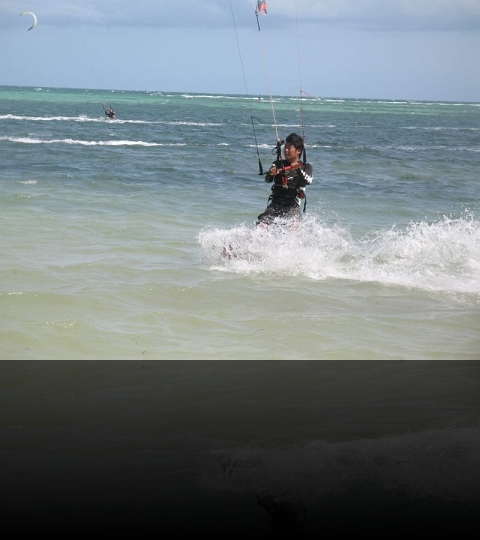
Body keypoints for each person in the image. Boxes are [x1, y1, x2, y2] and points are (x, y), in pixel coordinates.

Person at [256, 133, 313, 226]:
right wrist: (271, 174)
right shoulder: (277, 164)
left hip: (292, 206)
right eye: (285, 147)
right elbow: (267, 180)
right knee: (262, 225)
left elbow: (308, 180)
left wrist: (298, 170)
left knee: (293, 227)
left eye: (289, 148)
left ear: (298, 150)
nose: (286, 150)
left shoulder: (306, 167)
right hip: (275, 205)